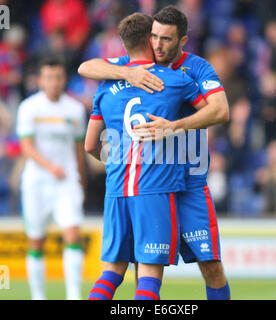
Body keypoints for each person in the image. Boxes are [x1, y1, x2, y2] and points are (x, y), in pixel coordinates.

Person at [79, 6, 230, 300]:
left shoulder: (197, 68)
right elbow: (85, 67)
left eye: (166, 39)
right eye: (154, 37)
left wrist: (175, 127)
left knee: (210, 264)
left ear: (182, 41)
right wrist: (128, 74)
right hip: (152, 182)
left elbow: (222, 110)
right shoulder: (130, 66)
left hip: (189, 185)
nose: (158, 45)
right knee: (143, 268)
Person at [16, 57, 86, 300]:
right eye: (48, 78)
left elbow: (79, 149)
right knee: (36, 240)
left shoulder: (75, 110)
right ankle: (38, 296)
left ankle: (74, 295)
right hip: (36, 182)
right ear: (40, 81)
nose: (53, 82)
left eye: (57, 77)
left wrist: (80, 179)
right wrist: (49, 166)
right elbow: (26, 146)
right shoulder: (29, 107)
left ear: (64, 80)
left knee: (73, 234)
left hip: (66, 181)